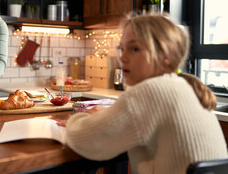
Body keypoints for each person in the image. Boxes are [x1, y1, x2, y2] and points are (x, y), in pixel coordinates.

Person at [58, 13, 228, 174]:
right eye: (122, 49)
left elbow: (87, 140)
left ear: (167, 54)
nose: (122, 57)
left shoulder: (151, 91)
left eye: (134, 49)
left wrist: (77, 120)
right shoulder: (185, 86)